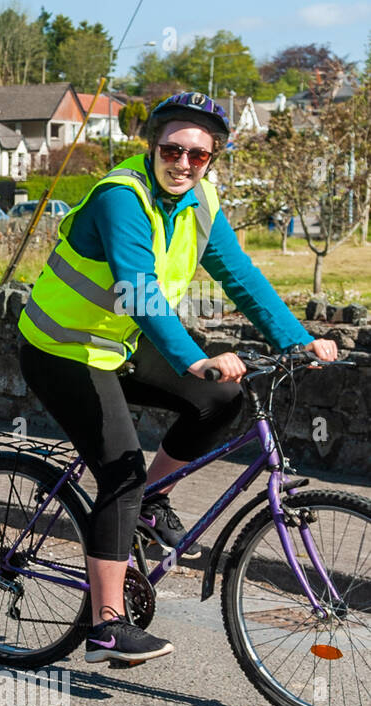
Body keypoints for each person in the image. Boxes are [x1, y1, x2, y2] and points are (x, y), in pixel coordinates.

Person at [18, 91, 339, 665]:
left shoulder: (201, 200)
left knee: (221, 399)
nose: (185, 163)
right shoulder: (122, 196)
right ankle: (107, 627)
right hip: (62, 349)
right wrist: (192, 356)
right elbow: (136, 287)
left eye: (200, 155)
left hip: (120, 344)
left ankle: (151, 500)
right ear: (153, 146)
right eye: (174, 149)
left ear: (212, 159)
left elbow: (240, 275)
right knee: (119, 466)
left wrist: (297, 339)